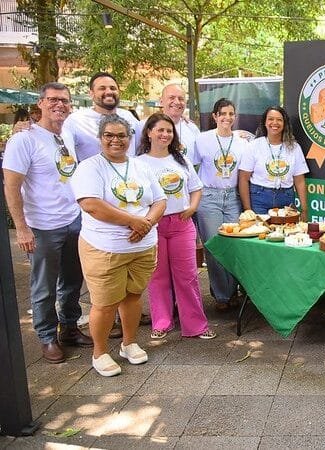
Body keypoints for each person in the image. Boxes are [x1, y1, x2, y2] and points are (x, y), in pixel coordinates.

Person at [71, 114, 166, 377]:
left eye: (121, 135)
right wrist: (135, 222)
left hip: (143, 247)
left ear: (130, 138)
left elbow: (160, 201)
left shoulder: (140, 166)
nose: (116, 140)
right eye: (109, 135)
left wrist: (145, 222)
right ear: (100, 139)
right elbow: (91, 204)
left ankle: (128, 343)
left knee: (133, 297)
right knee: (104, 303)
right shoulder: (90, 167)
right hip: (105, 248)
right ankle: (99, 352)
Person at [3, 82, 91, 364]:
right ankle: (46, 337)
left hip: (73, 221)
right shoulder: (24, 139)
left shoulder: (65, 132)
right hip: (42, 227)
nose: (59, 105)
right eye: (53, 100)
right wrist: (22, 227)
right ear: (39, 103)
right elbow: (11, 186)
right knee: (44, 286)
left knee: (72, 280)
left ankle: (69, 327)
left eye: (64, 100)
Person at [136, 113, 215, 340]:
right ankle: (162, 322)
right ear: (149, 132)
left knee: (188, 275)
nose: (165, 135)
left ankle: (196, 326)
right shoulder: (138, 163)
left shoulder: (180, 159)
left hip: (181, 223)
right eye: (160, 130)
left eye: (169, 131)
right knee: (157, 276)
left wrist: (192, 208)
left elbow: (196, 187)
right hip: (154, 226)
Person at [192, 98, 247, 311]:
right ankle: (222, 295)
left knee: (233, 246)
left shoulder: (242, 141)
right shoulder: (202, 139)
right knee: (214, 247)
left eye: (231, 114)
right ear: (214, 116)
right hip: (209, 197)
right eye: (222, 113)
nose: (227, 118)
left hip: (233, 197)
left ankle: (233, 291)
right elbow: (192, 167)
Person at [238, 105, 309, 220]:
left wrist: (304, 210)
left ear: (284, 123)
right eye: (270, 119)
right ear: (265, 122)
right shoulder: (253, 146)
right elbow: (243, 179)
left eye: (279, 120)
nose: (274, 123)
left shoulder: (294, 147)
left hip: (286, 198)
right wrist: (248, 209)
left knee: (286, 233)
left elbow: (299, 181)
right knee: (259, 234)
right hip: (259, 198)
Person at [64, 72, 140, 162]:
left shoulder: (128, 116)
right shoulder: (75, 120)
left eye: (113, 88)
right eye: (102, 88)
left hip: (128, 174)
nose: (109, 92)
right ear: (91, 94)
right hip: (92, 174)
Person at [158, 84, 200, 158]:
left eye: (181, 99)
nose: (177, 102)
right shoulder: (147, 126)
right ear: (161, 101)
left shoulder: (192, 128)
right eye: (171, 98)